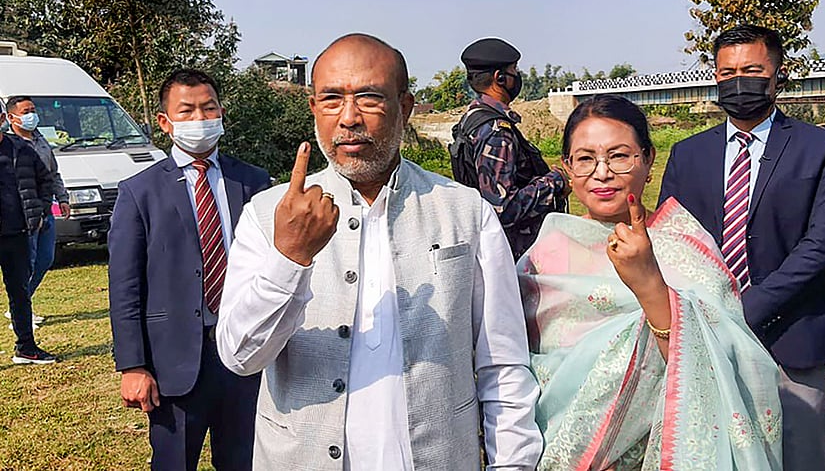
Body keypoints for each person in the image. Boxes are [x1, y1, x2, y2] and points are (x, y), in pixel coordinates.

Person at [216, 33, 542, 470]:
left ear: (404, 108)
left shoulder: (465, 212)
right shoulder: (269, 214)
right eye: (331, 99)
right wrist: (290, 259)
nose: (349, 118)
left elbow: (502, 365)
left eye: (369, 98)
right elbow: (241, 356)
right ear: (313, 108)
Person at [520, 94, 782, 470]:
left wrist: (649, 284)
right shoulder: (544, 254)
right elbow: (522, 367)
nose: (602, 172)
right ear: (566, 167)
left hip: (660, 453)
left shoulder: (683, 244)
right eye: (585, 159)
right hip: (561, 451)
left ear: (648, 160)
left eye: (620, 155)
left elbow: (726, 360)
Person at [658, 25, 825, 471]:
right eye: (727, 73)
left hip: (794, 337)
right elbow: (674, 240)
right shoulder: (688, 154)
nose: (738, 82)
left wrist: (746, 308)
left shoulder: (821, 148)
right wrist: (713, 313)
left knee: (800, 455)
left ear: (777, 74)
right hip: (709, 336)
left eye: (751, 70)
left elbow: (822, 246)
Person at [108, 69, 270, 470]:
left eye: (209, 107)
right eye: (187, 110)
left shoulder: (252, 182)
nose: (200, 118)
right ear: (165, 122)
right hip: (174, 364)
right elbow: (125, 287)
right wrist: (133, 365)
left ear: (221, 113)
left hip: (245, 354)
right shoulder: (139, 192)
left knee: (245, 460)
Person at [451, 37, 569, 259]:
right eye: (514, 70)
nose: (517, 76)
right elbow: (502, 207)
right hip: (513, 253)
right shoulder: (496, 130)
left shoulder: (472, 119)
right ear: (500, 78)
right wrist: (554, 182)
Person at [0, 99, 57, 364]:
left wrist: (41, 210)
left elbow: (45, 180)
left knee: (19, 292)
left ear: (2, 119)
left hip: (16, 233)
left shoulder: (21, 149)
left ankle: (25, 347)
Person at [5, 96, 70, 324]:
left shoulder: (40, 140)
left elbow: (52, 174)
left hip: (46, 210)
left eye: (33, 109)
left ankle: (22, 303)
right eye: (26, 111)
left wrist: (62, 198)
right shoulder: (10, 146)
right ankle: (21, 310)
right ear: (11, 117)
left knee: (45, 259)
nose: (32, 115)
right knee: (27, 263)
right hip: (25, 216)